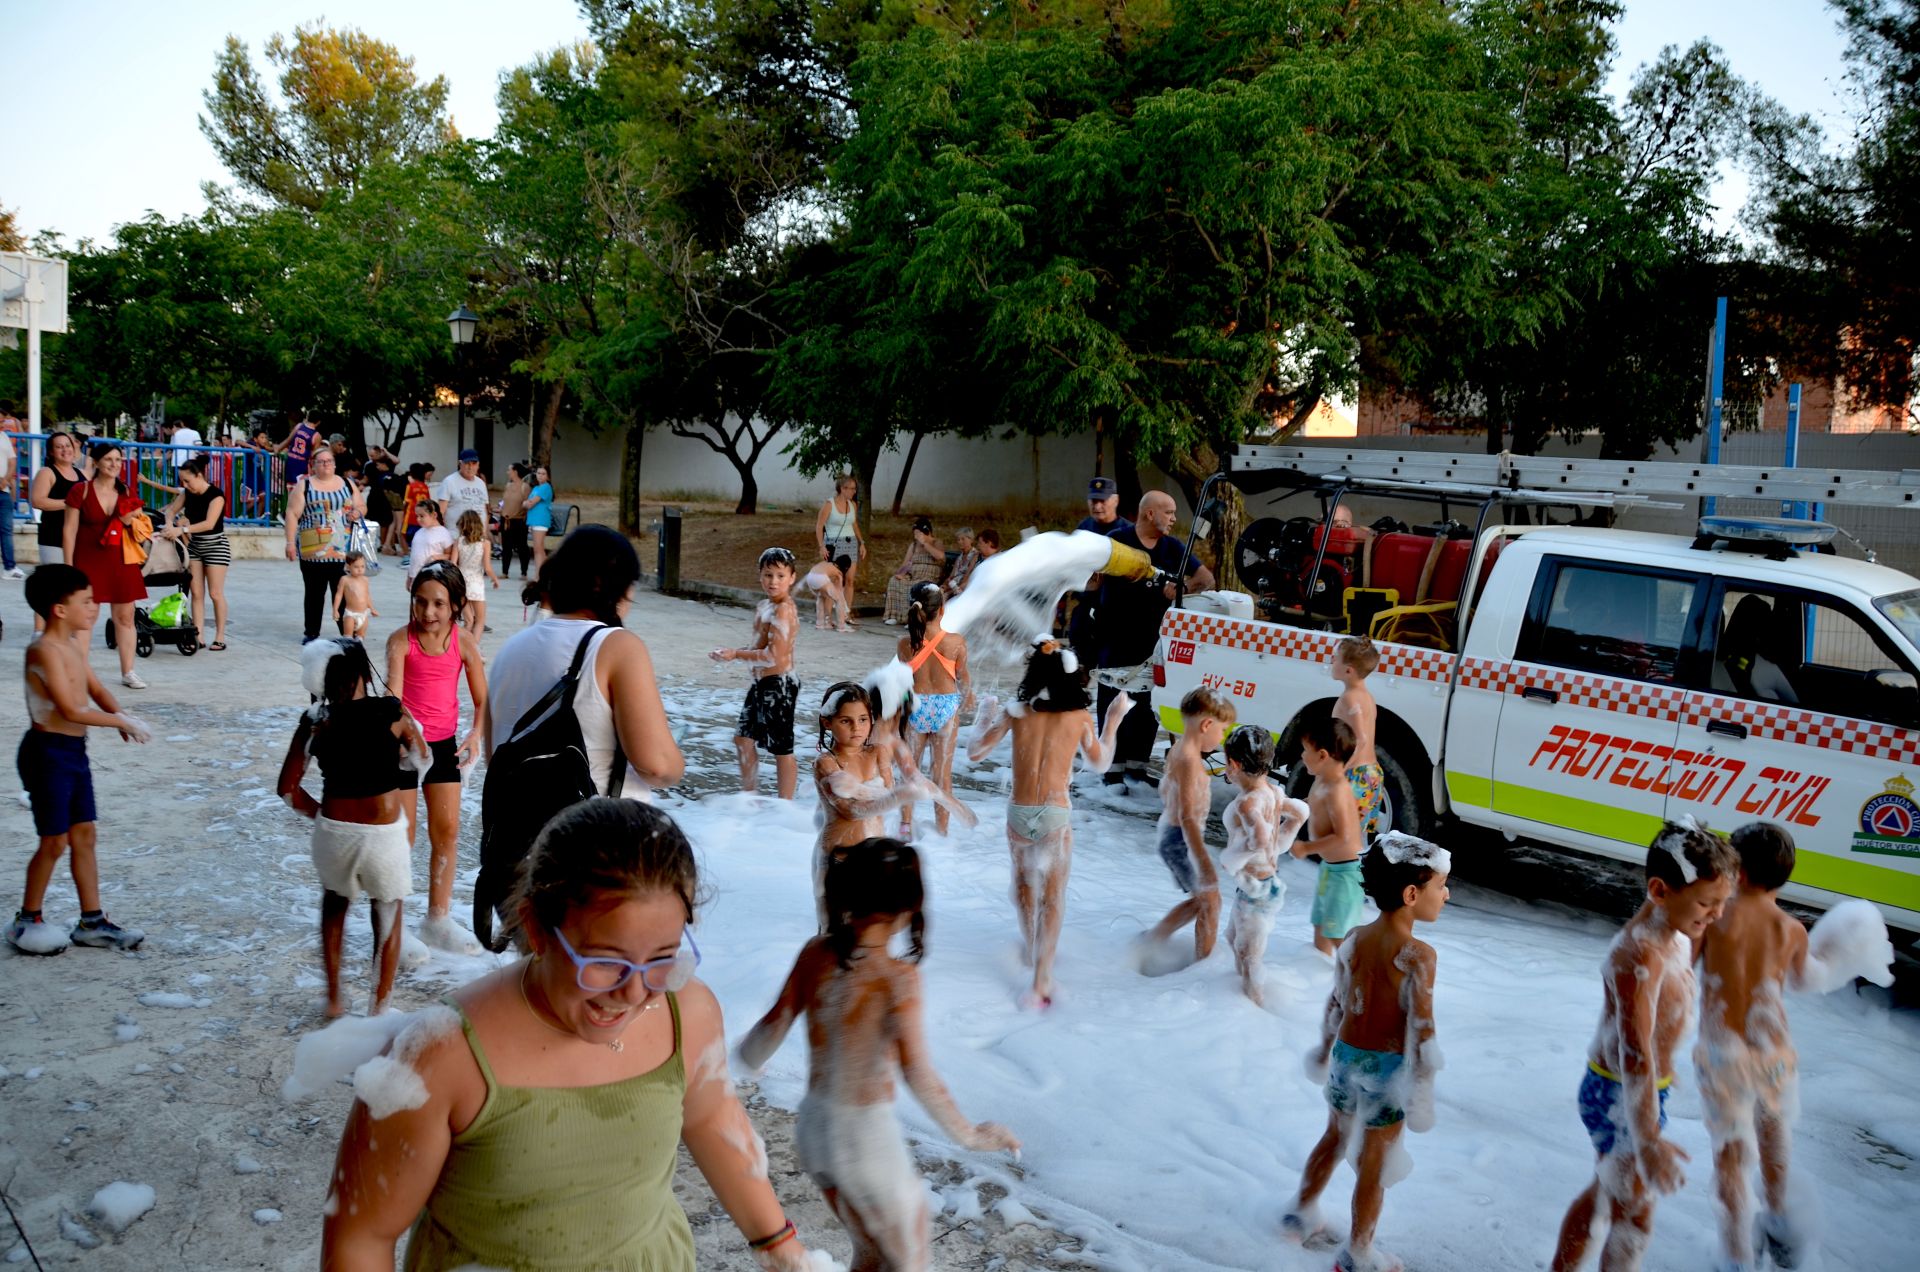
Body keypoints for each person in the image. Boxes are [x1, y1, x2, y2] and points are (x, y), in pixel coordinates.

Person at [320, 798, 819, 1271]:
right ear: (537, 928)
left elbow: (712, 1119)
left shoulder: (686, 1013)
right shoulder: (442, 1056)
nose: (635, 993)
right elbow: (362, 1235)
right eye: (605, 962)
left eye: (664, 959)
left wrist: (781, 1248)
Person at [740, 838, 1021, 1271]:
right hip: (866, 1141)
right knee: (910, 1261)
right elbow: (917, 1073)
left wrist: (731, 1068)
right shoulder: (895, 978)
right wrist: (971, 1136)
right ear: (910, 904)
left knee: (870, 1255)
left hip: (815, 1133)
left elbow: (768, 1032)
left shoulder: (815, 954)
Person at [1551, 820, 1736, 1272]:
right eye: (1707, 904)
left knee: (1605, 1194)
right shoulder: (1639, 957)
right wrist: (1649, 1139)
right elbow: (1635, 1051)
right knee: (1635, 1212)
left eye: (1721, 905)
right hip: (1621, 1093)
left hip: (1638, 1092)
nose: (1715, 915)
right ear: (1659, 891)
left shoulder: (1671, 929)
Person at [1284, 833, 1451, 1272]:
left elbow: (1337, 1003)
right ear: (1412, 895)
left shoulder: (1356, 939)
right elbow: (1422, 1026)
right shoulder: (1418, 954)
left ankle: (1298, 1215)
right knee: (1375, 1163)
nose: (1446, 894)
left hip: (1345, 1058)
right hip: (1386, 1070)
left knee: (1334, 1138)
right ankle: (1358, 1254)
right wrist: (1422, 1090)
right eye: (1441, 887)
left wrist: (1324, 1049)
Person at [966, 640, 1131, 1007]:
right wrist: (1115, 719)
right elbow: (1101, 762)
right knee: (1053, 895)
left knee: (1024, 883)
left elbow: (975, 752)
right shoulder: (1079, 718)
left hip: (1019, 813)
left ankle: (1029, 945)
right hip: (1056, 814)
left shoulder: (1016, 712)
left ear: (1033, 675)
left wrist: (985, 713)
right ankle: (1042, 977)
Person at [276, 638, 427, 1017]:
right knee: (388, 914)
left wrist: (322, 816)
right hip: (384, 835)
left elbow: (287, 790)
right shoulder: (392, 712)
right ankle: (379, 1007)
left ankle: (333, 999)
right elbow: (422, 758)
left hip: (335, 832)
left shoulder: (316, 721)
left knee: (334, 905)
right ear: (364, 674)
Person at [9, 565, 151, 955]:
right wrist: (117, 720)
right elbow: (71, 708)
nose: (93, 608)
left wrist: (121, 713)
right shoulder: (42, 650)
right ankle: (27, 919)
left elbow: (96, 688)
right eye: (86, 602)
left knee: (84, 835)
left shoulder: (72, 644)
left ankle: (92, 921)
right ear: (59, 609)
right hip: (46, 754)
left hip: (73, 753)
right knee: (54, 841)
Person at [486, 525, 684, 799]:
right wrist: (677, 763)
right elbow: (658, 767)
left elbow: (494, 757)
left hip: (517, 834)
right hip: (596, 831)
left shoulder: (508, 652)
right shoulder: (618, 646)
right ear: (611, 587)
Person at [1692, 822, 1811, 1272]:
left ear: (1736, 874)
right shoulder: (1792, 929)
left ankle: (1737, 1258)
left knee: (1730, 1158)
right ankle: (1778, 1219)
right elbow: (1802, 979)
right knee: (1774, 1133)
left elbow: (1683, 964)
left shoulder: (1716, 918)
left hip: (1723, 1057)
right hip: (1774, 1053)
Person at [387, 562, 490, 955]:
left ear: (456, 605)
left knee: (446, 831)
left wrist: (476, 735)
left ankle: (438, 919)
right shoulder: (401, 641)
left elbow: (482, 701)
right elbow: (393, 702)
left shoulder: (464, 643)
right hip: (406, 750)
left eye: (438, 604)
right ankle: (392, 926)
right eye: (420, 602)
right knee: (403, 837)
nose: (428, 612)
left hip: (445, 747)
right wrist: (401, 737)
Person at [1092, 491, 1214, 787]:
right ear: (1150, 514)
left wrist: (1182, 587)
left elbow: (1207, 579)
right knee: (1113, 699)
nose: (1174, 518)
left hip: (1155, 640)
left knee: (1148, 702)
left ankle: (1137, 766)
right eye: (1169, 512)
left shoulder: (1173, 547)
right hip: (1116, 637)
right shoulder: (1117, 540)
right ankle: (1110, 766)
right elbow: (1091, 577)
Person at [812, 684, 928, 926]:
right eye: (846, 721)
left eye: (863, 719)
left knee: (873, 931)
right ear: (827, 723)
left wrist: (891, 794)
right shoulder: (826, 762)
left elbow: (885, 792)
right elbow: (850, 810)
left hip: (875, 857)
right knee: (834, 932)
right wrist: (897, 796)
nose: (857, 728)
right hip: (838, 856)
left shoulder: (878, 752)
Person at [1218, 727, 1309, 1005]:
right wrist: (1278, 841)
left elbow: (1257, 838)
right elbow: (1300, 814)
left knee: (1249, 955)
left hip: (1256, 891)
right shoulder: (1273, 792)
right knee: (1234, 939)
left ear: (1234, 765)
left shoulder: (1247, 803)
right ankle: (1240, 996)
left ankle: (1255, 1007)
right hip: (1261, 886)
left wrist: (1232, 859)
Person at [1144, 686, 1234, 963]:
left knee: (1203, 901)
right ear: (1207, 724)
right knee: (1210, 903)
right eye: (1222, 731)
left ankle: (1153, 941)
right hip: (1179, 839)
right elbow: (1187, 817)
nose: (1221, 739)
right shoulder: (1188, 761)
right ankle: (1202, 964)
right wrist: (1204, 861)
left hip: (1175, 837)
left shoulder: (1181, 749)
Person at [711, 547, 801, 800]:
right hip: (763, 684)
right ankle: (749, 799)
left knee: (781, 749)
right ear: (760, 576)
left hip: (780, 685)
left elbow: (774, 655)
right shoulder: (765, 606)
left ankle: (786, 805)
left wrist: (736, 655)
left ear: (792, 578)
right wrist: (731, 653)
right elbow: (758, 649)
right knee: (742, 740)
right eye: (768, 575)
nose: (774, 581)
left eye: (780, 576)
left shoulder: (784, 609)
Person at [63, 440, 150, 689]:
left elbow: (138, 526)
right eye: (109, 459)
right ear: (97, 462)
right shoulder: (81, 491)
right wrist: (68, 567)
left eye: (119, 460)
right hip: (88, 557)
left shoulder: (127, 491)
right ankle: (78, 671)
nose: (114, 465)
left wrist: (129, 520)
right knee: (86, 617)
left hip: (121, 558)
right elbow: (69, 531)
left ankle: (129, 671)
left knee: (125, 617)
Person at [899, 582, 971, 838]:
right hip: (945, 708)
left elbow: (904, 680)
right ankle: (942, 832)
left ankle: (905, 827)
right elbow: (962, 677)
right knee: (942, 774)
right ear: (942, 610)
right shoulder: (955, 642)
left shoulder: (905, 645)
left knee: (911, 771)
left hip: (917, 705)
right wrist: (969, 696)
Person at [1290, 718, 1367, 956]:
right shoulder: (1321, 781)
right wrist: (1286, 807)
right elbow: (1312, 804)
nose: (1302, 756)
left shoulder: (1338, 790)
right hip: (1330, 869)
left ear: (1322, 755)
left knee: (1337, 933)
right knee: (1321, 925)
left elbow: (1342, 837)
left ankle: (1352, 980)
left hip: (1346, 875)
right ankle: (1321, 973)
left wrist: (1307, 847)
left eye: (1305, 750)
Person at [285, 445, 364, 643]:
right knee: (314, 592)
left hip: (342, 550)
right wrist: (289, 542)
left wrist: (358, 512)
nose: (326, 464)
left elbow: (361, 504)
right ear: (313, 466)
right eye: (321, 461)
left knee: (345, 591)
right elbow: (292, 514)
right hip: (313, 550)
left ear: (335, 464)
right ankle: (311, 632)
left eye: (329, 461)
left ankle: (347, 631)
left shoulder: (347, 483)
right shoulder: (305, 486)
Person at [158, 456, 231, 651]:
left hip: (216, 546)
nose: (185, 485)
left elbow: (209, 523)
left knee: (215, 593)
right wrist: (169, 526)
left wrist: (181, 531)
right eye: (183, 481)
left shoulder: (216, 495)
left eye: (188, 480)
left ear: (199, 476)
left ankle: (220, 636)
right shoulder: (186, 493)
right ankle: (197, 635)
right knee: (197, 593)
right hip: (195, 546)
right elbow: (170, 511)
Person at [28, 431, 83, 628]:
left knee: (71, 589)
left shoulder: (81, 474)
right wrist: (69, 503)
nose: (65, 450)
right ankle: (39, 631)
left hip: (77, 539)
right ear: (51, 452)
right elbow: (37, 500)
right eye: (59, 447)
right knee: (51, 589)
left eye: (67, 445)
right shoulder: (47, 472)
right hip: (52, 537)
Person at [1334, 636, 1386, 836]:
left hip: (1355, 775)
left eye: (1336, 658)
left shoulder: (1350, 699)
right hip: (1371, 773)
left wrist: (1340, 772)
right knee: (1354, 837)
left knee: (1341, 837)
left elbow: (1361, 739)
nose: (1332, 661)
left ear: (1348, 670)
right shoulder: (1367, 696)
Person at [882, 516, 943, 625]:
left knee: (916, 586)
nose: (916, 537)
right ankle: (895, 616)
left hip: (929, 576)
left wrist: (925, 543)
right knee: (894, 581)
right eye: (915, 534)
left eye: (918, 534)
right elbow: (906, 563)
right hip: (913, 574)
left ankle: (912, 619)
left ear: (926, 532)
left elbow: (940, 556)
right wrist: (900, 573)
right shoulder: (914, 545)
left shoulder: (936, 542)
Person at [816, 474, 865, 598]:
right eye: (852, 488)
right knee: (834, 580)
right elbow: (819, 526)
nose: (854, 491)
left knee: (849, 580)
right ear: (843, 489)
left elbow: (854, 524)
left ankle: (846, 614)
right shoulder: (829, 505)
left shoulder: (853, 504)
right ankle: (828, 613)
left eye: (855, 488)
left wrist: (862, 543)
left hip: (851, 543)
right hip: (834, 544)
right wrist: (821, 546)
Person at [454, 509, 500, 637]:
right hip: (475, 584)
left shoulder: (458, 542)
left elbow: (453, 564)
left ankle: (460, 648)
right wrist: (494, 579)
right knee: (479, 620)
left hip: (460, 583)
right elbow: (487, 567)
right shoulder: (485, 543)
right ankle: (474, 649)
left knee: (468, 621)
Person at [406, 498, 457, 585]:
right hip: (416, 576)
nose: (418, 519)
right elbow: (414, 555)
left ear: (434, 515)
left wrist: (436, 557)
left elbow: (450, 556)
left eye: (422, 516)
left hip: (432, 577)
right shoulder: (419, 532)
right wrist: (409, 576)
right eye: (417, 516)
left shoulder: (443, 533)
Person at [440, 448, 490, 532]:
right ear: (460, 463)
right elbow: (441, 511)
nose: (470, 467)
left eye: (474, 463)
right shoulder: (449, 482)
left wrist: (485, 533)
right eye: (467, 463)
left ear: (478, 465)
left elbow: (484, 509)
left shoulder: (481, 483)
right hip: (456, 535)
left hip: (478, 537)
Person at [499, 461, 532, 579]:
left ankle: (524, 572)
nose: (507, 472)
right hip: (506, 519)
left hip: (518, 521)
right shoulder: (508, 486)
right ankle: (505, 572)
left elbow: (528, 504)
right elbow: (504, 500)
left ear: (515, 472)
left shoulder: (525, 487)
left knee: (522, 546)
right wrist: (500, 507)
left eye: (509, 470)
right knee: (506, 547)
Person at [335, 551, 378, 639]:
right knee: (348, 636)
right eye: (356, 567)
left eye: (362, 566)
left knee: (361, 636)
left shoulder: (365, 580)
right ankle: (348, 648)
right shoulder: (345, 579)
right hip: (350, 614)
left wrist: (372, 608)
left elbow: (367, 595)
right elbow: (339, 595)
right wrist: (335, 610)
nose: (360, 569)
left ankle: (358, 645)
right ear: (348, 566)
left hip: (363, 614)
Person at [524, 463, 555, 575]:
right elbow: (526, 503)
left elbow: (531, 503)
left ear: (548, 476)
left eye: (543, 474)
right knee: (538, 548)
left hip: (541, 520)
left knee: (538, 548)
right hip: (533, 520)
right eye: (538, 473)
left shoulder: (546, 487)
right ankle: (544, 573)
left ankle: (539, 574)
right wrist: (527, 503)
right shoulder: (536, 488)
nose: (540, 476)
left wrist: (527, 503)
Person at [0, 423, 19, 579]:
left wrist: (5, 480)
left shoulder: (4, 437)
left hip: (3, 489)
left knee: (6, 529)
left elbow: (12, 461)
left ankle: (9, 567)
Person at [942, 527, 980, 599]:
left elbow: (967, 577)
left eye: (963, 539)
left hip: (961, 588)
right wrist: (944, 585)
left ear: (971, 540)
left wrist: (949, 589)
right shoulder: (959, 557)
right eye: (958, 539)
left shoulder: (975, 555)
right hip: (952, 586)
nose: (959, 541)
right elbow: (951, 575)